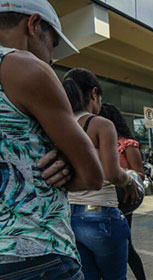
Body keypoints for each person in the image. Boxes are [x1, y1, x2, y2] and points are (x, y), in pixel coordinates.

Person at [0, 1, 105, 278]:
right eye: (53, 45)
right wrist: (69, 165)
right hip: (36, 253)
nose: (51, 59)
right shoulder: (24, 66)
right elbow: (93, 175)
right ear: (34, 25)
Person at [63, 68, 140, 280]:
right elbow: (113, 174)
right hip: (102, 213)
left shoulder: (60, 124)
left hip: (69, 215)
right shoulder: (101, 124)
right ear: (94, 93)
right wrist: (129, 181)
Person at [100, 103, 147, 280]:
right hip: (101, 200)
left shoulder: (128, 145)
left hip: (122, 201)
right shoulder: (101, 143)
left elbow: (140, 174)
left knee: (126, 246)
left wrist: (124, 178)